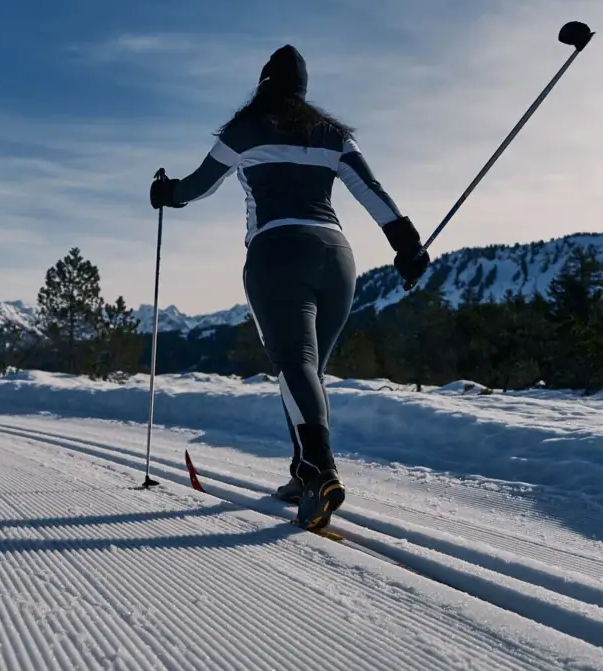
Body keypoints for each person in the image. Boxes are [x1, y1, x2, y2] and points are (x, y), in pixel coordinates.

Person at [150, 44, 429, 530]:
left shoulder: (245, 128)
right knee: (307, 372)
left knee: (294, 364)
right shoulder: (332, 135)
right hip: (337, 259)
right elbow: (373, 193)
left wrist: (165, 191)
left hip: (277, 253)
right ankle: (304, 474)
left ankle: (320, 470)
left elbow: (198, 186)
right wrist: (407, 245)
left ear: (263, 84)